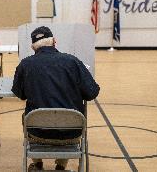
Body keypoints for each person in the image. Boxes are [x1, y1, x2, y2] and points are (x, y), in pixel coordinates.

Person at [12, 26, 100, 171]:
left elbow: (20, 94)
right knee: (67, 112)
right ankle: (61, 166)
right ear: (54, 41)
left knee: (28, 116)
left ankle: (37, 164)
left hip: (37, 132)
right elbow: (92, 93)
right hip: (71, 132)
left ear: (33, 47)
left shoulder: (25, 64)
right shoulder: (73, 62)